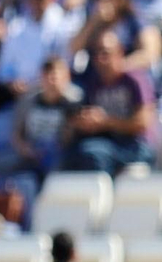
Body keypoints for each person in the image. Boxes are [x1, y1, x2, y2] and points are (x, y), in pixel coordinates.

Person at [61, 30, 155, 175]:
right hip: (105, 143)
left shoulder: (134, 80)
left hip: (136, 145)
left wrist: (105, 122)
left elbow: (143, 122)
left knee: (93, 153)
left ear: (120, 52)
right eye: (95, 54)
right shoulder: (92, 82)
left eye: (105, 53)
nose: (100, 59)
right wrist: (82, 122)